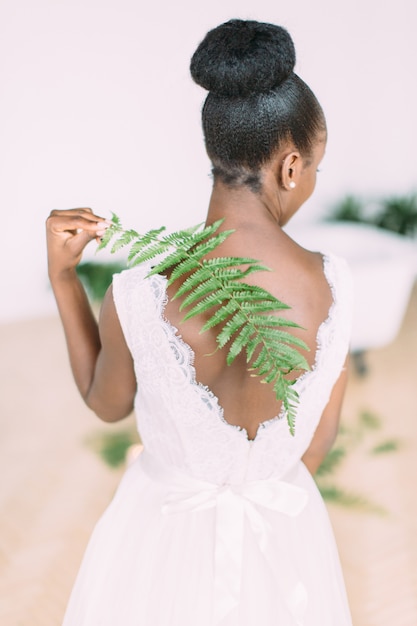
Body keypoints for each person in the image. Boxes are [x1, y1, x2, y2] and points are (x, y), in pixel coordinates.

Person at [46, 19, 353, 626]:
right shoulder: (335, 286)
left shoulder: (138, 294)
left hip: (158, 535)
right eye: (315, 165)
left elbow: (105, 403)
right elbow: (316, 442)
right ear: (292, 167)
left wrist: (63, 278)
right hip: (285, 534)